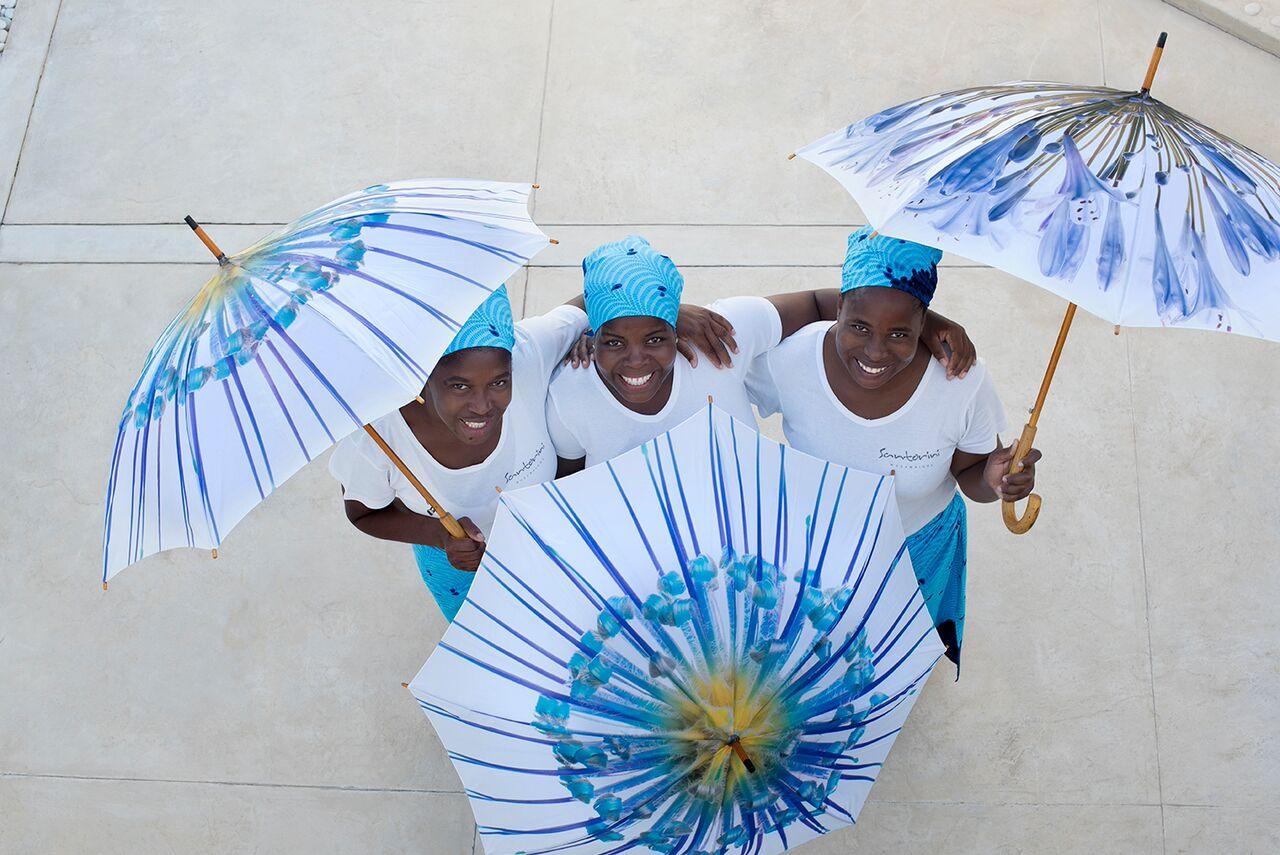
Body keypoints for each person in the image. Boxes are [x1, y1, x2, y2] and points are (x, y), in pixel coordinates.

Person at [329, 284, 736, 622]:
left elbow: (592, 300)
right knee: (487, 639)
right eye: (458, 386)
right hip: (459, 563)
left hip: (551, 539)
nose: (482, 405)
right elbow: (363, 513)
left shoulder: (531, 351)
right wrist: (437, 535)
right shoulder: (377, 435)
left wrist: (660, 313)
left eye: (499, 382)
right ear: (420, 382)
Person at [747, 226, 1041, 670]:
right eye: (859, 327)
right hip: (818, 538)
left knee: (893, 649)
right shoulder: (790, 359)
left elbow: (972, 480)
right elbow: (713, 374)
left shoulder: (961, 382)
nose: (875, 351)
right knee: (815, 645)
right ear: (838, 307)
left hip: (916, 542)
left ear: (927, 322)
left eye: (899, 334)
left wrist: (993, 479)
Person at [546, 235, 976, 467]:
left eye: (656, 337)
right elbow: (568, 488)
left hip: (745, 537)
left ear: (677, 324)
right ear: (592, 335)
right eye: (613, 342)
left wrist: (927, 322)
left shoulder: (722, 339)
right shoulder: (569, 394)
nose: (636, 359)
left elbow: (819, 303)